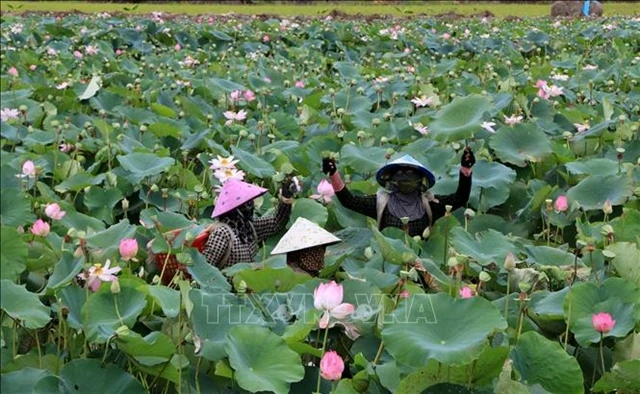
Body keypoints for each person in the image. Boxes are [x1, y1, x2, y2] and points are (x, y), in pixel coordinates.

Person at [322, 147, 475, 238]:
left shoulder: (429, 204)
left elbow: (460, 199)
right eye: (400, 172)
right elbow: (349, 201)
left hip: (421, 266)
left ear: (419, 179)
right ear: (393, 178)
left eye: (409, 172)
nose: (404, 175)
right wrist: (334, 174)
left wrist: (465, 170)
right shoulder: (382, 203)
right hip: (389, 266)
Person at [202, 177, 296, 269]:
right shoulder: (222, 233)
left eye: (250, 202)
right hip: (227, 283)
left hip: (249, 282)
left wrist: (285, 199)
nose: (251, 206)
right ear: (234, 209)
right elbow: (205, 268)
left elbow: (275, 223)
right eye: (246, 203)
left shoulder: (249, 226)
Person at [270, 217, 341, 276]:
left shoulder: (316, 275)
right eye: (315, 249)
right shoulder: (292, 278)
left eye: (322, 247)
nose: (321, 252)